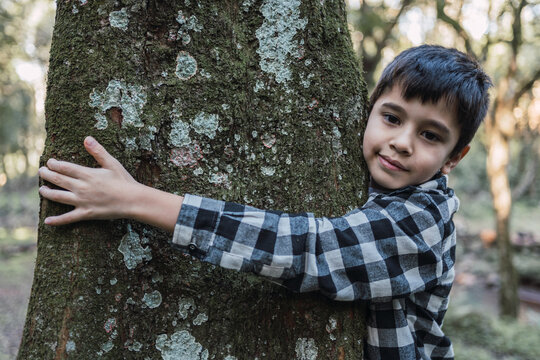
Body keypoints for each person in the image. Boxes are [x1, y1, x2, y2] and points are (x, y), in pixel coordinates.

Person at [38, 45, 492, 360]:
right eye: (391, 118)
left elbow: (311, 250)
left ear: (454, 157)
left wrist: (136, 199)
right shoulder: (379, 187)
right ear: (367, 110)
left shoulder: (425, 222)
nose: (402, 143)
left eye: (430, 135)